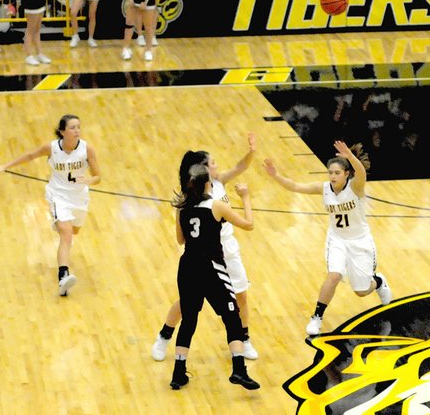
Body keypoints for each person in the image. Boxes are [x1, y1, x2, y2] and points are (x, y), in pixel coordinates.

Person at [262, 141, 392, 336]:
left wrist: (349, 156)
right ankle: (317, 316)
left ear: (347, 174)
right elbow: (296, 186)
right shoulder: (324, 188)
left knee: (361, 291)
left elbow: (362, 173)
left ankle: (379, 282)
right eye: (330, 172)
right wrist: (276, 176)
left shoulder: (355, 187)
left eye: (337, 173)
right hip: (337, 239)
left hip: (360, 241)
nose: (332, 176)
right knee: (334, 274)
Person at [152, 134, 259, 362]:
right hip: (205, 254)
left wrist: (251, 151)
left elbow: (241, 166)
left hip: (228, 249)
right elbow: (181, 239)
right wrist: (246, 198)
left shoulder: (219, 182)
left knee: (241, 295)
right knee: (187, 302)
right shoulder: (187, 198)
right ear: (203, 169)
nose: (217, 166)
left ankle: (245, 338)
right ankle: (164, 336)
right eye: (213, 163)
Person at [169, 164, 260, 391]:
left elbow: (180, 240)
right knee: (231, 317)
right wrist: (246, 198)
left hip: (187, 267)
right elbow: (248, 225)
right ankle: (239, 369)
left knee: (189, 320)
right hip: (211, 267)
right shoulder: (216, 206)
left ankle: (178, 373)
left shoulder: (182, 207)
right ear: (207, 184)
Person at [0, 115, 101, 296]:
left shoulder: (87, 148)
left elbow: (98, 176)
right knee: (66, 234)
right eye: (72, 128)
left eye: (78, 127)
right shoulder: (52, 148)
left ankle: (60, 223)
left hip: (79, 197)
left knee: (74, 231)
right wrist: (5, 166)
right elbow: (30, 155)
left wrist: (89, 179)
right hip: (58, 195)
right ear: (63, 131)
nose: (77, 131)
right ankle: (63, 276)